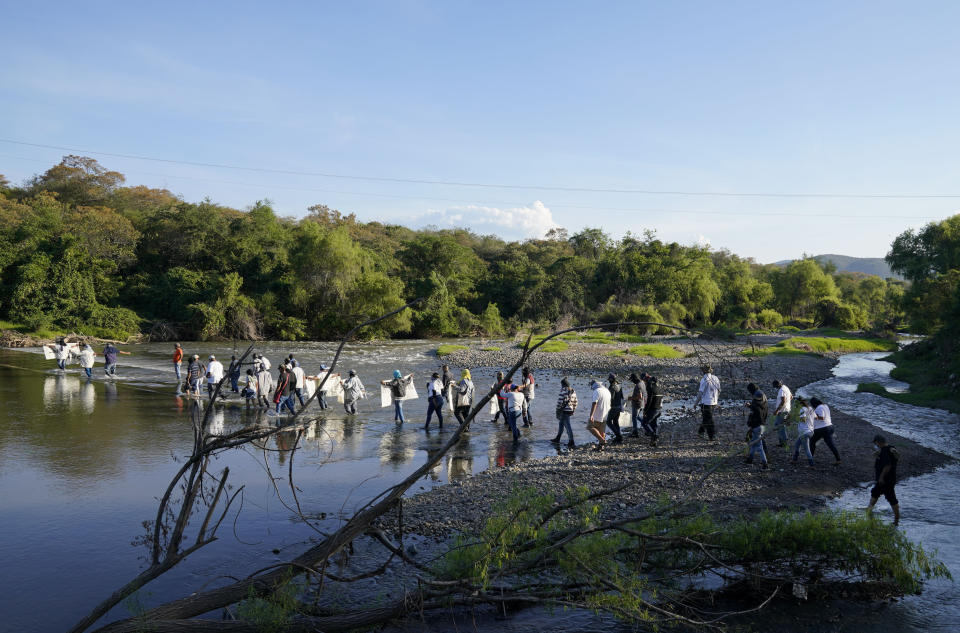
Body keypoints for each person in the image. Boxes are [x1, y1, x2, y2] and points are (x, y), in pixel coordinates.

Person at [867, 434, 900, 526]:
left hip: (885, 480)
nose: (875, 445)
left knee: (891, 498)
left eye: (875, 443)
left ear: (878, 442)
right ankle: (869, 511)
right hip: (889, 479)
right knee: (875, 493)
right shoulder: (890, 448)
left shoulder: (885, 451)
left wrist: (881, 477)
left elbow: (888, 465)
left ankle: (896, 520)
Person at [744, 383, 769, 469]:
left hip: (756, 425)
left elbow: (755, 412)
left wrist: (750, 406)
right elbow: (759, 410)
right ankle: (750, 459)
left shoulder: (755, 404)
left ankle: (765, 463)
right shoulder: (764, 402)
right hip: (762, 424)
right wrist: (751, 406)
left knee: (759, 445)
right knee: (754, 443)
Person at [809, 397, 841, 463]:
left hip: (822, 428)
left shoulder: (819, 408)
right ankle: (838, 459)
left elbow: (822, 417)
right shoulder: (825, 406)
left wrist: (813, 415)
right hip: (830, 427)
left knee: (812, 442)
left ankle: (810, 458)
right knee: (830, 444)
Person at [552, 377, 578, 447]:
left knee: (567, 426)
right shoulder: (573, 390)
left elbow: (560, 401)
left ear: (563, 384)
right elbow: (576, 401)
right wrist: (573, 409)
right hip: (570, 410)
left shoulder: (563, 390)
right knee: (561, 423)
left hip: (564, 410)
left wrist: (557, 409)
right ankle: (558, 438)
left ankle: (571, 441)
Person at [696, 365, 721, 440]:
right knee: (707, 418)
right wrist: (716, 400)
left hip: (706, 403)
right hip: (713, 402)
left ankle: (711, 436)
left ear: (703, 371)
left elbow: (700, 393)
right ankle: (702, 432)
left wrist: (695, 403)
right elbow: (719, 390)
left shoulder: (704, 379)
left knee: (709, 420)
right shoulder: (716, 378)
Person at [587, 379, 611, 451]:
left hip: (598, 413)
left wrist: (591, 415)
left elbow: (594, 403)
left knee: (590, 427)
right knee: (601, 430)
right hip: (606, 413)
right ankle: (601, 447)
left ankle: (602, 440)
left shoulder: (596, 391)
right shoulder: (607, 391)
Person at [791, 396, 815, 466]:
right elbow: (816, 417)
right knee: (797, 444)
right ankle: (794, 460)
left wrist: (795, 418)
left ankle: (811, 464)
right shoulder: (810, 408)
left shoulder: (802, 409)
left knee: (807, 449)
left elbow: (803, 419)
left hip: (805, 432)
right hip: (811, 431)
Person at [642, 374, 663, 446]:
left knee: (644, 423)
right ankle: (654, 441)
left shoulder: (650, 387)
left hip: (653, 409)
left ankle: (653, 435)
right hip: (659, 409)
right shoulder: (659, 388)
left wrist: (645, 410)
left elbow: (649, 400)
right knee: (654, 424)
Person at [771, 379, 793, 447]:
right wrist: (787, 404)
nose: (775, 388)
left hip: (782, 411)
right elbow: (791, 397)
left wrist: (777, 410)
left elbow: (783, 401)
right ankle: (782, 441)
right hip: (786, 409)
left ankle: (784, 441)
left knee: (780, 426)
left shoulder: (781, 390)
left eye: (775, 386)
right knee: (778, 425)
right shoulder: (785, 387)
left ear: (777, 385)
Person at [605, 373, 624, 444]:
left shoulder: (612, 387)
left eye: (609, 379)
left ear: (612, 379)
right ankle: (619, 438)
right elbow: (622, 396)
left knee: (609, 422)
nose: (609, 380)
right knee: (616, 422)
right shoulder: (619, 386)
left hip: (614, 407)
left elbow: (611, 398)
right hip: (619, 406)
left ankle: (618, 435)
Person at [628, 373, 647, 438]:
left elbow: (639, 396)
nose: (632, 381)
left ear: (635, 379)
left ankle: (635, 432)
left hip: (637, 404)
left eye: (632, 380)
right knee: (638, 417)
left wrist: (631, 398)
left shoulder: (638, 385)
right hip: (642, 404)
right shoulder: (642, 382)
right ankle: (646, 426)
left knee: (634, 417)